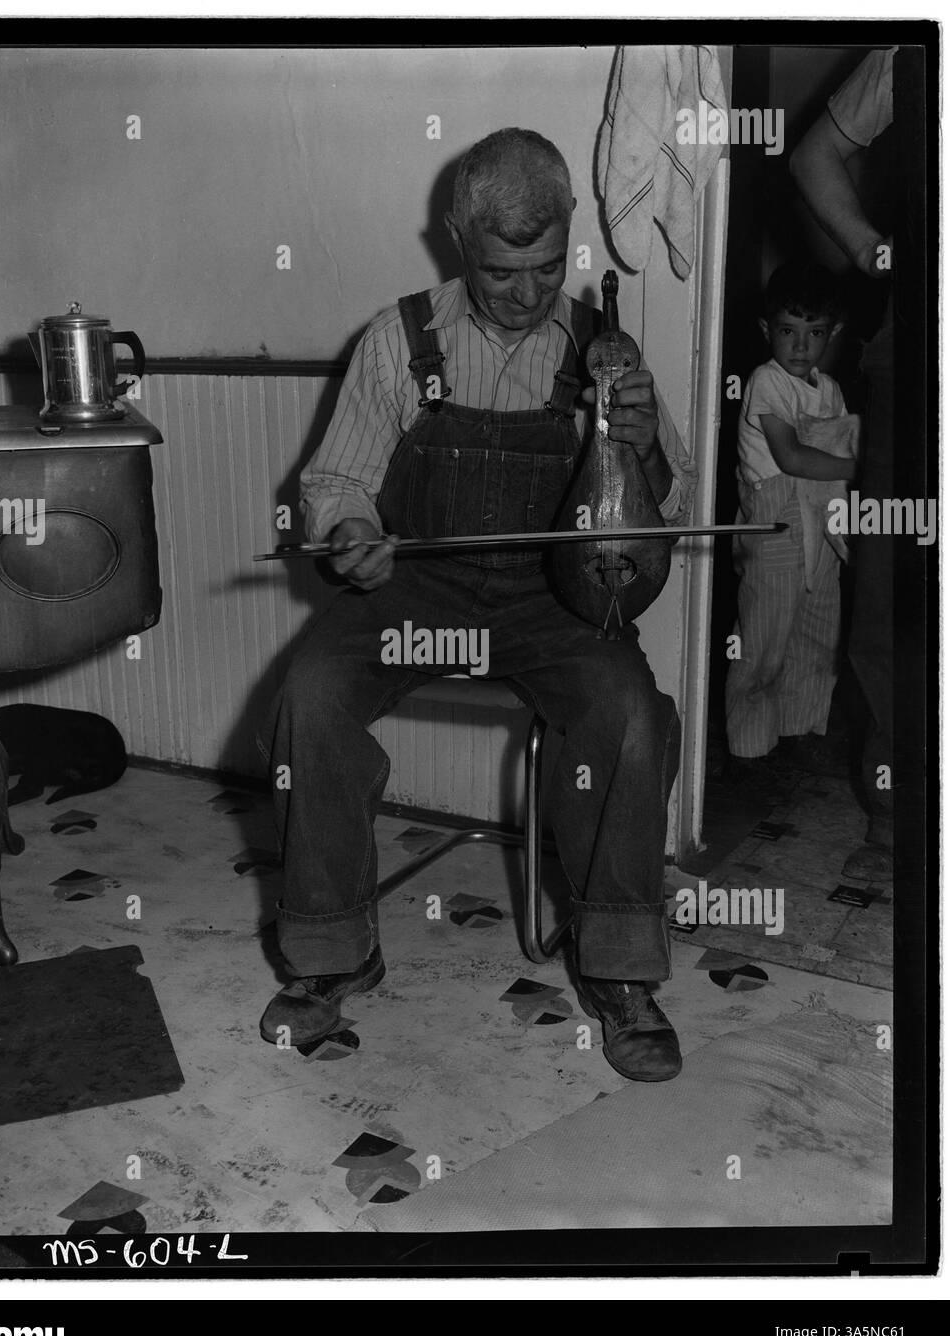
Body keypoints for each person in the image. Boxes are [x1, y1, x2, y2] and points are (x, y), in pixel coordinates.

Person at [258, 128, 697, 1082]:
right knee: (313, 692)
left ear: (569, 236)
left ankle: (619, 970)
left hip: (553, 597)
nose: (528, 294)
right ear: (459, 237)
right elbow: (335, 482)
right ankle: (333, 951)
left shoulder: (605, 352)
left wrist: (647, 448)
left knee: (629, 711)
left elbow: (669, 506)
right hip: (419, 586)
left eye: (545, 269)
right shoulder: (399, 340)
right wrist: (348, 536)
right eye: (502, 273)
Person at [790, 48, 896, 879]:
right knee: (889, 595)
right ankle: (896, 816)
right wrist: (871, 250)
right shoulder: (906, 54)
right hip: (916, 356)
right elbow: (814, 153)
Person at [725, 261, 858, 786]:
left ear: (833, 334)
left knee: (817, 632)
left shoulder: (830, 391)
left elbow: (835, 457)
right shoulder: (766, 381)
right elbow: (793, 456)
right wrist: (857, 467)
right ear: (766, 331)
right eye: (787, 331)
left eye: (814, 334)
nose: (800, 347)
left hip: (822, 522)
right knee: (764, 635)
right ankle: (749, 751)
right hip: (776, 518)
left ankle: (799, 734)